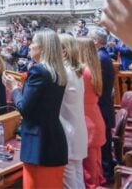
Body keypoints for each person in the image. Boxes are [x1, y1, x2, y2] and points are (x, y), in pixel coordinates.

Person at [2, 29, 68, 189]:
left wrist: (14, 89)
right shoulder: (57, 71)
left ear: (44, 47)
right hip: (54, 140)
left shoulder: (39, 71)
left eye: (33, 43)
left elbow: (24, 108)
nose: (30, 46)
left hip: (39, 144)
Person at [58, 34, 88, 189]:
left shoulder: (63, 72)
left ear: (63, 51)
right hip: (77, 129)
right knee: (77, 176)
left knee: (70, 181)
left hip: (67, 130)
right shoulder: (76, 71)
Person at [77, 37, 106, 189]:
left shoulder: (83, 72)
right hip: (94, 119)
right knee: (94, 168)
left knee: (89, 174)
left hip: (87, 123)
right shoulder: (92, 68)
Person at [89, 27, 116, 183]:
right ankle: (108, 171)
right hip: (104, 105)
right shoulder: (103, 56)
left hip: (101, 107)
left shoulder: (99, 58)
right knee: (105, 145)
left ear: (95, 41)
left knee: (104, 146)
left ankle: (108, 175)